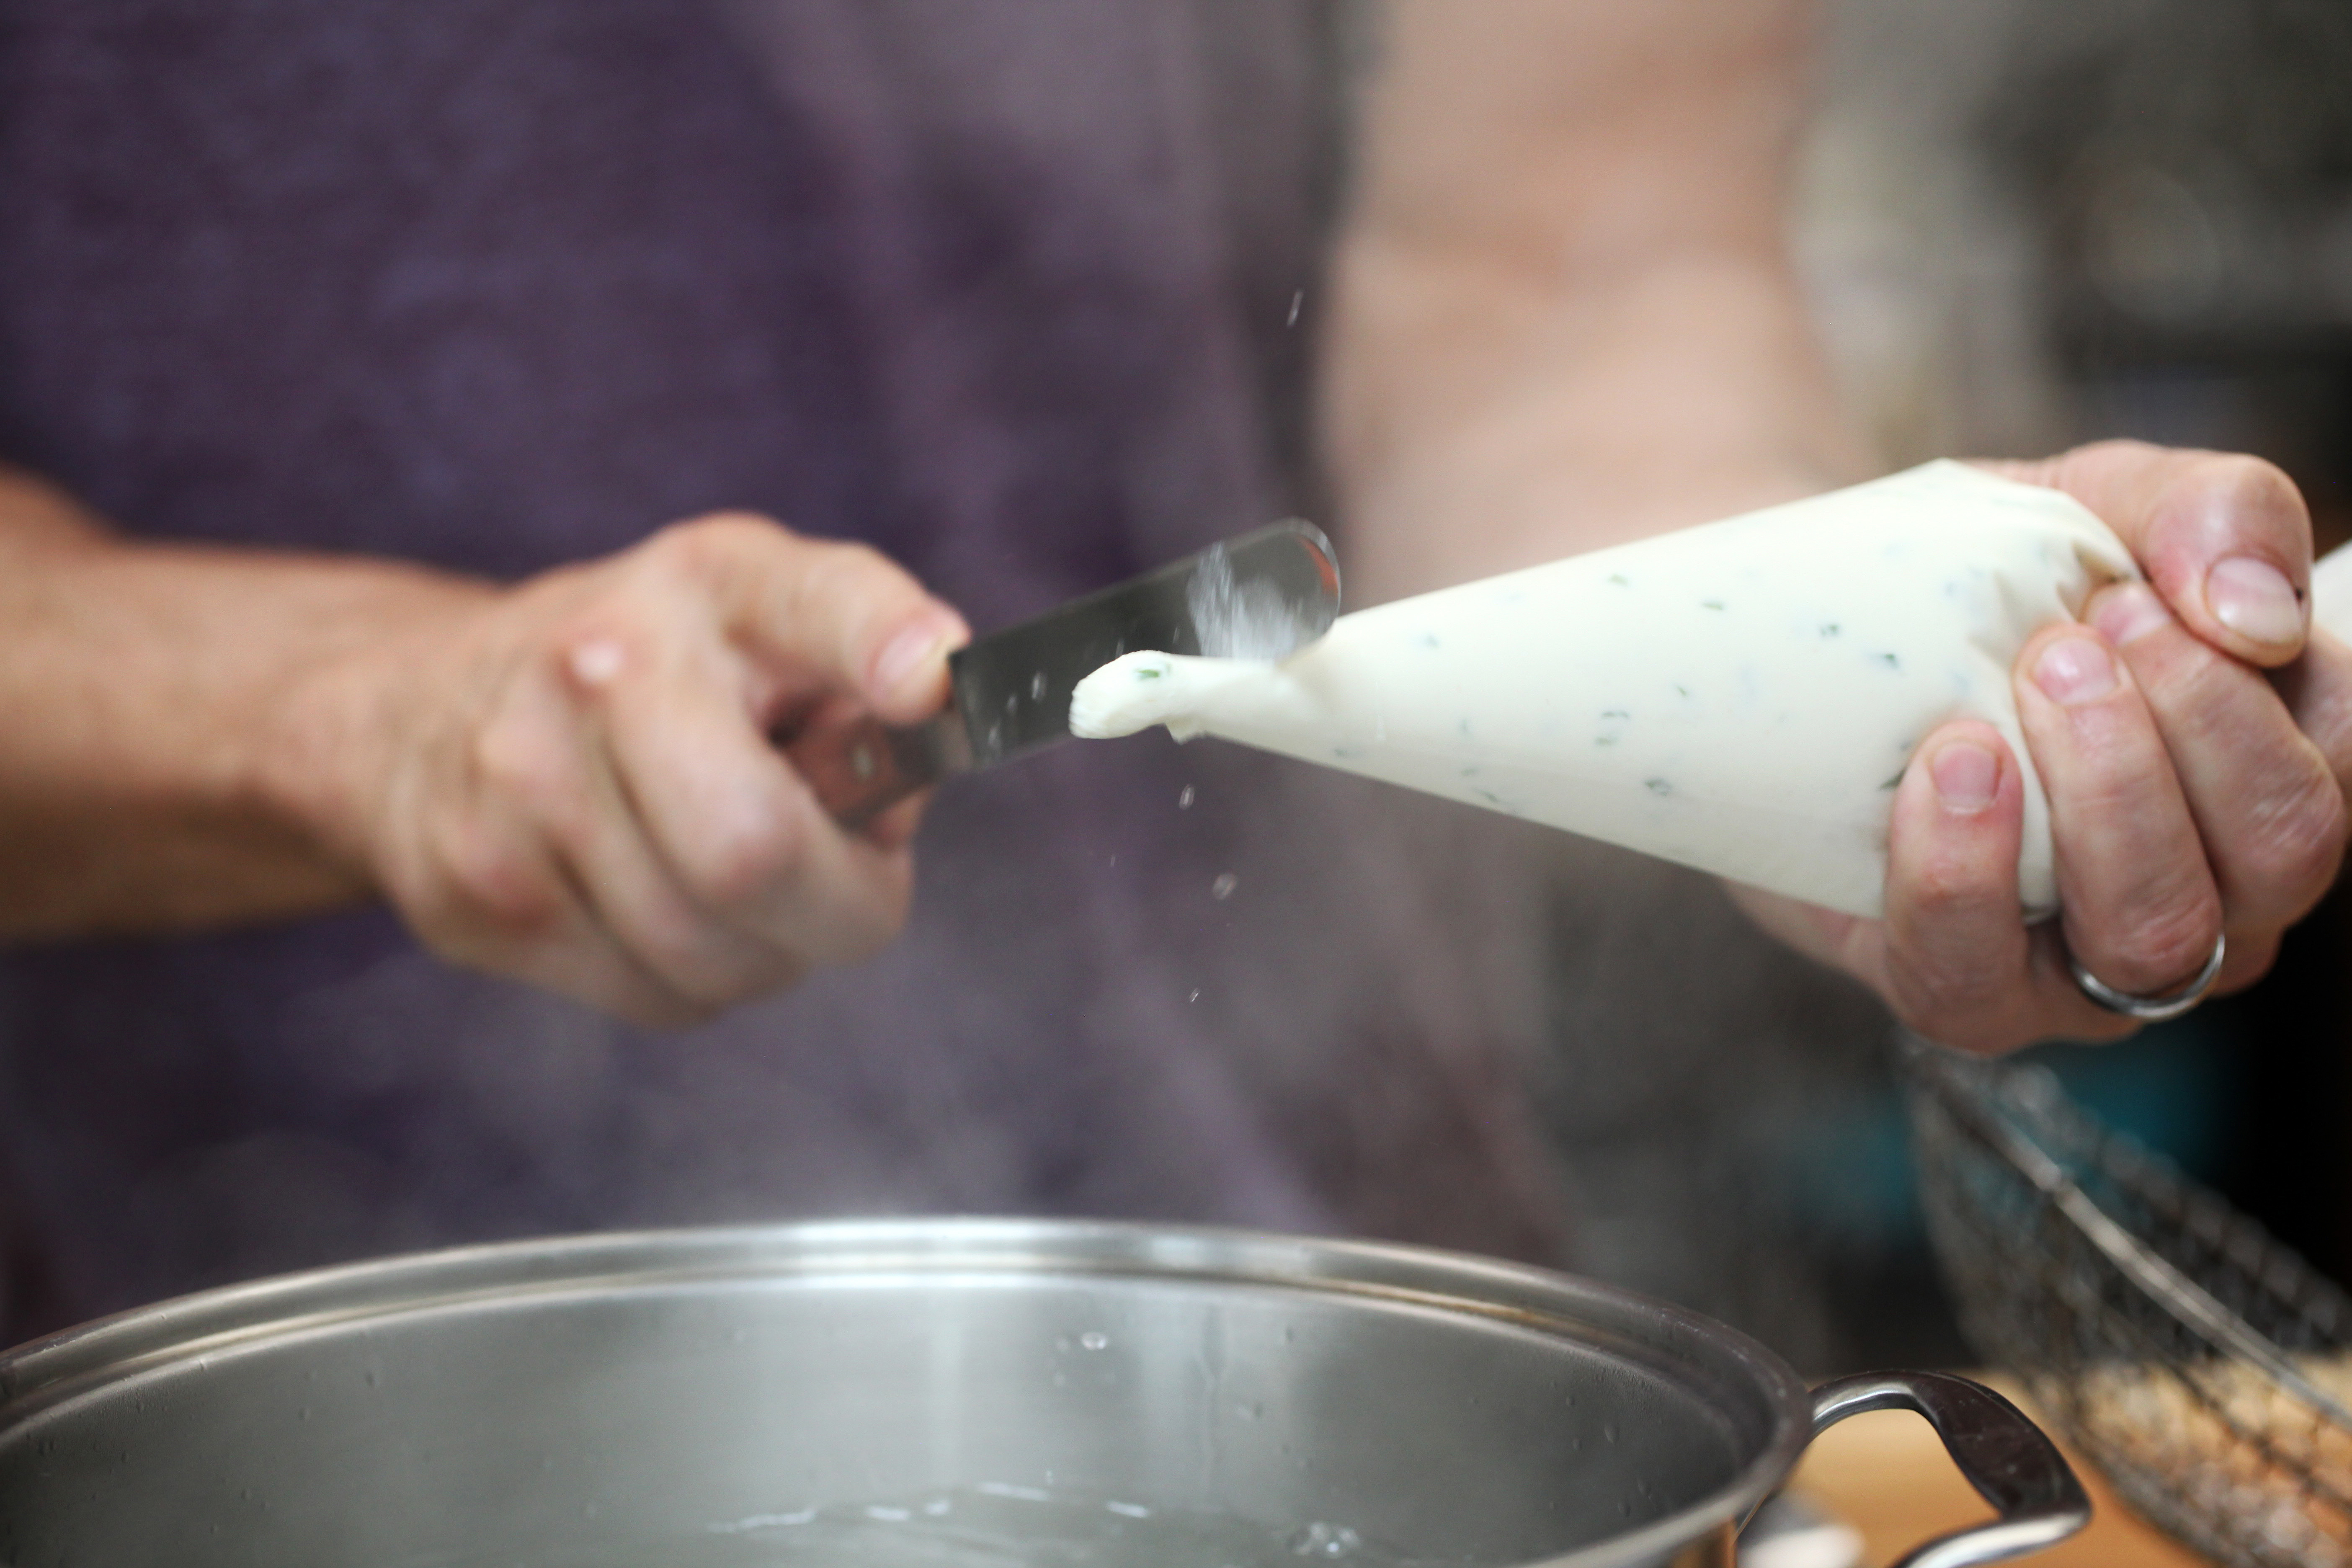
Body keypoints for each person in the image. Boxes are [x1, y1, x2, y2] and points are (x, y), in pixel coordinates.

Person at [0, 1, 2341, 1338]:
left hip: (1349, 1305)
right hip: (217, 1335)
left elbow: (1561, 263)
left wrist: (1824, 721)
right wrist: (345, 712)